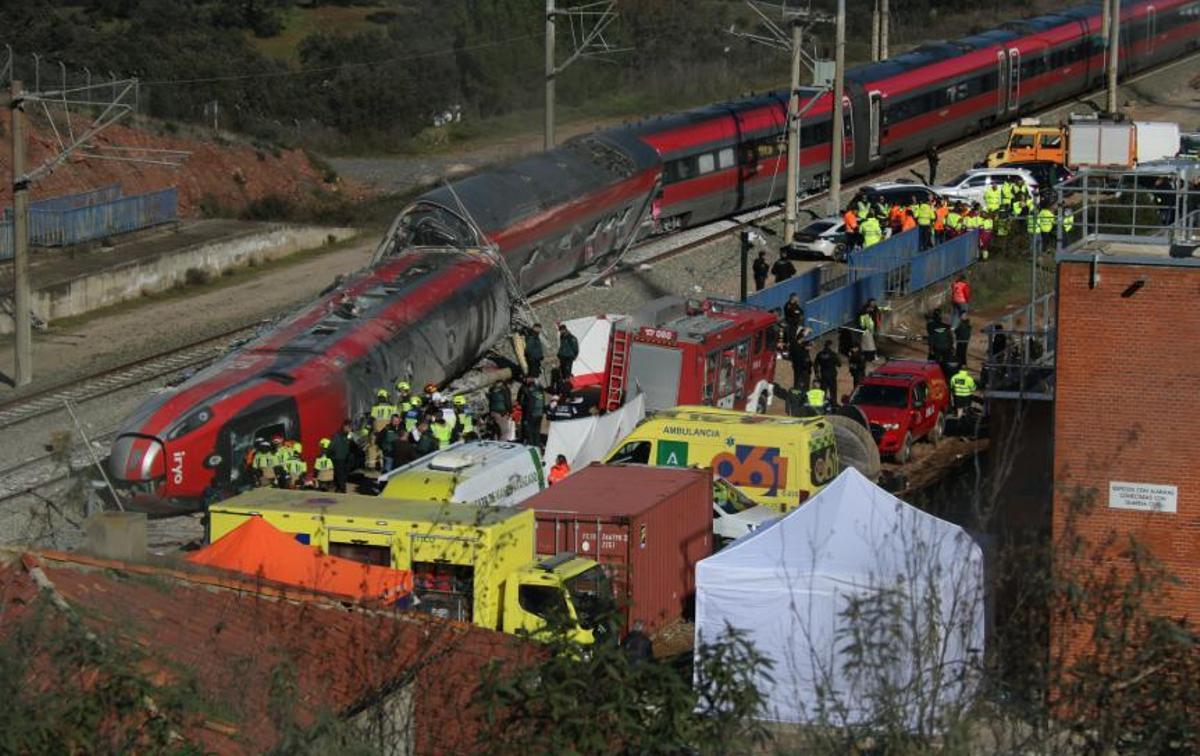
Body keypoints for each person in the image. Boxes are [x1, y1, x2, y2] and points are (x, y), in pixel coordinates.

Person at [520, 375, 546, 446]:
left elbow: (530, 405)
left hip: (532, 415)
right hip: (539, 414)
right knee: (537, 432)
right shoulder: (540, 391)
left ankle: (531, 446)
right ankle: (537, 446)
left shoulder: (530, 392)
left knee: (530, 432)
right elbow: (543, 402)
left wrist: (526, 417)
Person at [329, 420, 355, 493]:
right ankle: (342, 489)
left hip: (346, 457)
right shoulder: (338, 435)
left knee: (342, 474)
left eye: (351, 427)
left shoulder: (349, 435)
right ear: (345, 426)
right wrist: (329, 454)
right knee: (340, 474)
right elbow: (332, 446)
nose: (350, 429)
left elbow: (353, 444)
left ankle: (339, 487)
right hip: (338, 457)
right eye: (349, 427)